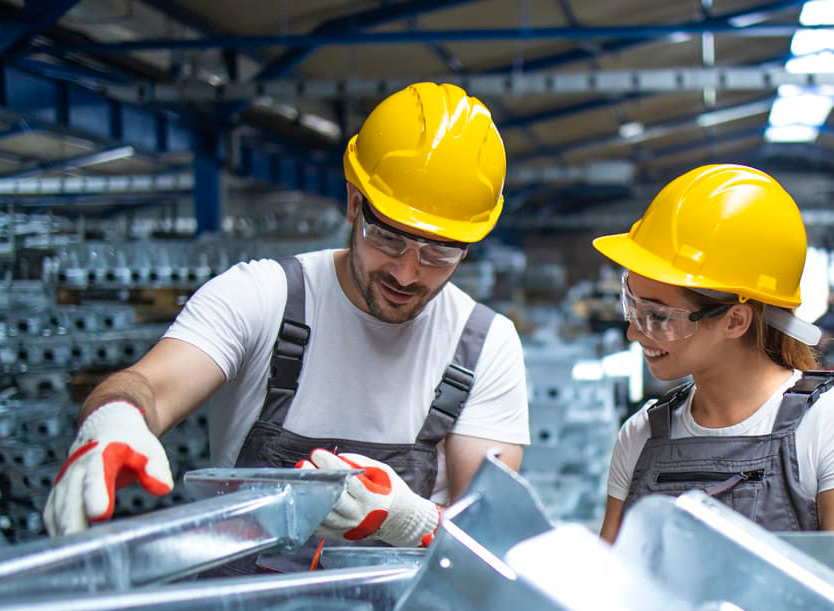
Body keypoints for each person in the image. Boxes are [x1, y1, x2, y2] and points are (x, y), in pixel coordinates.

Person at [43, 82, 531, 553]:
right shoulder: (262, 296)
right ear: (354, 203)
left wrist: (412, 520)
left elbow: (490, 528)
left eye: (438, 254)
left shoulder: (483, 344)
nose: (406, 272)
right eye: (389, 238)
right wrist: (114, 418)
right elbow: (147, 386)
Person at [592, 164, 834, 542]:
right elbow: (607, 591)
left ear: (735, 321)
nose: (634, 332)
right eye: (633, 307)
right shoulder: (639, 437)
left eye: (657, 316)